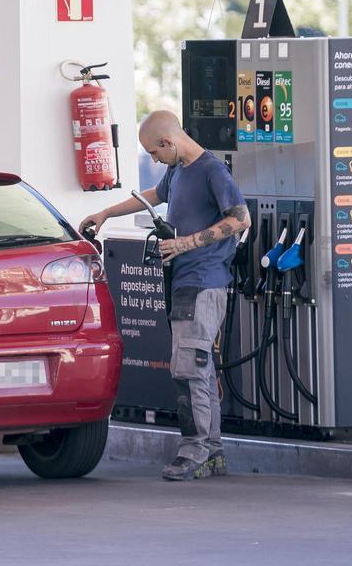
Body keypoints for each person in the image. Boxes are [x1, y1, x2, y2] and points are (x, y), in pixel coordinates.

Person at [81, 110, 251, 481]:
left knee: (187, 368)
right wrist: (107, 212)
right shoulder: (178, 170)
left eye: (155, 154)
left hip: (204, 281)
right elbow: (155, 195)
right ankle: (213, 452)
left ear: (168, 142)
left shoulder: (212, 171)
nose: (154, 161)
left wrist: (186, 243)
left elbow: (240, 218)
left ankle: (195, 450)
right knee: (198, 368)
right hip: (185, 281)